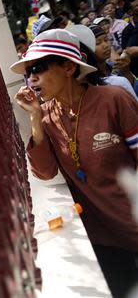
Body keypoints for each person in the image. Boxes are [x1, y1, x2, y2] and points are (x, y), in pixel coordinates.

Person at [10, 29, 138, 298]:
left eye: (39, 67)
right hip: (104, 240)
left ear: (68, 67)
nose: (32, 77)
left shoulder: (113, 99)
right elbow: (44, 172)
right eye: (29, 71)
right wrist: (35, 119)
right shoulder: (47, 116)